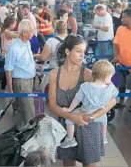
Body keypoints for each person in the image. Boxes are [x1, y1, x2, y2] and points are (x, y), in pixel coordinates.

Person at [48, 34, 116, 167]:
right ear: (68, 51)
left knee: (90, 164)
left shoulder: (88, 74)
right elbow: (52, 104)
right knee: (68, 164)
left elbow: (112, 100)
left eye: (84, 52)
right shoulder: (54, 74)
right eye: (78, 51)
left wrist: (92, 116)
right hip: (66, 127)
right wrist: (72, 116)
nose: (82, 55)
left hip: (88, 125)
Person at [60, 60, 118, 148]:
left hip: (84, 112)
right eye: (110, 77)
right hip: (100, 116)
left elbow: (77, 99)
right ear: (105, 77)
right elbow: (114, 96)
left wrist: (69, 109)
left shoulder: (86, 86)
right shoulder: (111, 88)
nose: (111, 79)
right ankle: (103, 137)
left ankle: (70, 139)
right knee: (105, 119)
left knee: (69, 119)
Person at [4, 19, 37, 127]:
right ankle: (29, 136)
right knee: (29, 112)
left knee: (25, 111)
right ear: (24, 32)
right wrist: (10, 90)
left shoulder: (27, 43)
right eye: (31, 30)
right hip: (22, 83)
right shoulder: (14, 48)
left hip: (30, 80)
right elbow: (8, 70)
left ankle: (22, 133)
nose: (34, 32)